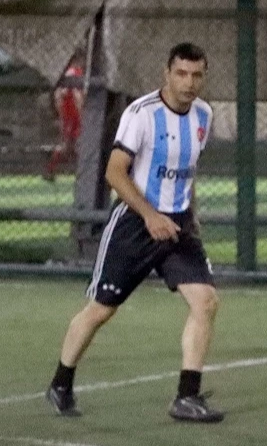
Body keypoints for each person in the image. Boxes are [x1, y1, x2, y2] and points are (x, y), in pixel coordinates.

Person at [46, 42, 222, 422]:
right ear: (166, 73)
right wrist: (150, 215)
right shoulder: (141, 114)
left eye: (197, 75)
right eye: (181, 73)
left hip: (178, 225)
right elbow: (114, 172)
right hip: (134, 224)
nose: (189, 82)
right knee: (101, 310)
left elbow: (188, 171)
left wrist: (192, 214)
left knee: (206, 301)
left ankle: (186, 397)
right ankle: (61, 383)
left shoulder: (204, 115)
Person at [43, 55, 85, 182]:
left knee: (73, 144)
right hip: (71, 114)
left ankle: (52, 170)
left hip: (70, 114)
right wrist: (80, 112)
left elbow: (59, 94)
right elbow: (71, 95)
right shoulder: (74, 73)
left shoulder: (72, 72)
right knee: (68, 144)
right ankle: (50, 170)